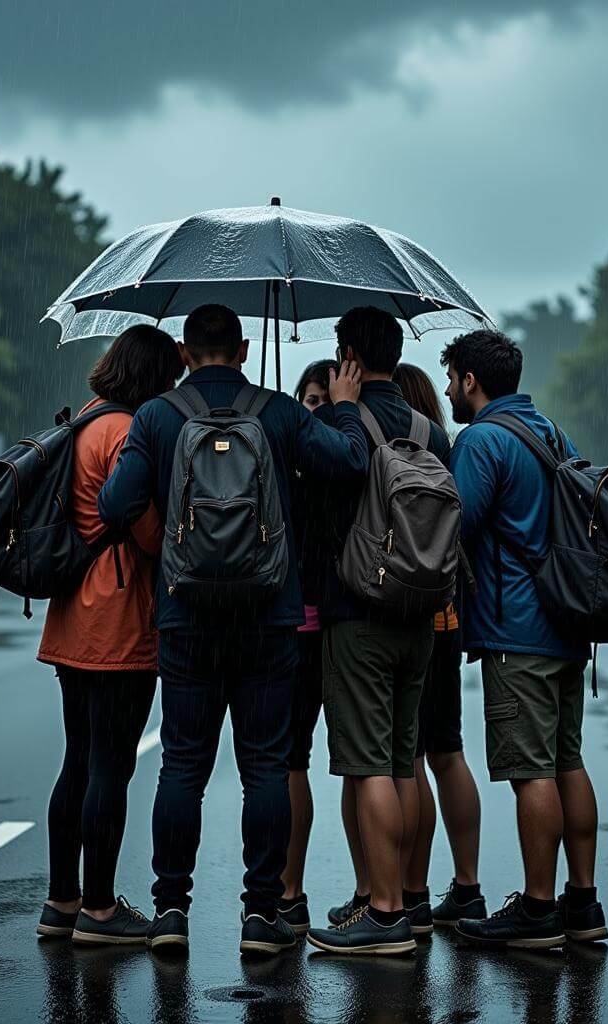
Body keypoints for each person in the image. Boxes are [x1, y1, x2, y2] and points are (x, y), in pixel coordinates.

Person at [98, 304, 368, 957]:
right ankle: (260, 915)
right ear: (244, 348)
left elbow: (114, 506)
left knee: (183, 765)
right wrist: (342, 405)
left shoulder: (159, 416)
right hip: (269, 613)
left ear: (186, 352)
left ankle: (170, 912)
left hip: (186, 614)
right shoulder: (278, 411)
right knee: (265, 767)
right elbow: (351, 460)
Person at [442, 328, 606, 951]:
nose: (452, 389)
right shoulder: (551, 432)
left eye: (454, 378)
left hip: (518, 629)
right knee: (568, 760)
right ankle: (582, 903)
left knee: (529, 771)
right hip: (566, 624)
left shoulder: (481, 440)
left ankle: (538, 909)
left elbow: (456, 522)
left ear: (470, 381)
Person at [303, 311, 451, 957]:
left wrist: (336, 408)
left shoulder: (346, 422)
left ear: (348, 355)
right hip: (419, 614)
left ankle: (383, 912)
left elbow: (325, 487)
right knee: (402, 760)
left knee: (366, 768)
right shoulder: (431, 431)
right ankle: (409, 900)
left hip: (356, 610)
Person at [36, 324, 184, 945]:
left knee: (76, 759)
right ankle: (100, 907)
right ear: (153, 378)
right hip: (118, 613)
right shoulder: (126, 431)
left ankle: (62, 900)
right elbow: (145, 530)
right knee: (110, 764)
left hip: (74, 609)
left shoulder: (85, 421)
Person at [392, 363, 485, 930]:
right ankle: (468, 886)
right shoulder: (444, 447)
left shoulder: (387, 448)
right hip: (447, 616)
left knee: (410, 759)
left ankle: (411, 891)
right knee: (449, 751)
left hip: (406, 618)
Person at [278, 358, 339, 936]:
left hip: (333, 630)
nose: (312, 409)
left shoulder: (338, 464)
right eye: (306, 400)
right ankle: (289, 891)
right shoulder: (288, 463)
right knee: (292, 760)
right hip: (293, 631)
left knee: (357, 762)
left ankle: (379, 894)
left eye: (323, 400)